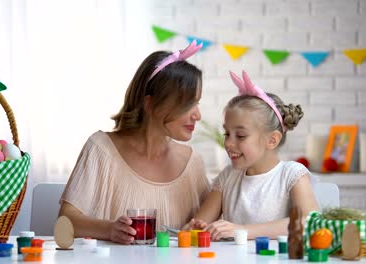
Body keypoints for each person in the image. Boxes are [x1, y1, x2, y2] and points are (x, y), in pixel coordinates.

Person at [59, 40, 211, 244]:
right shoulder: (101, 149)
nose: (198, 115)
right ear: (150, 104)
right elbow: (65, 220)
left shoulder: (194, 163)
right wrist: (110, 229)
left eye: (197, 103)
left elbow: (210, 225)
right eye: (187, 104)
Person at [185, 71, 318, 240]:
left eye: (240, 136)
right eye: (227, 134)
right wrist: (195, 228)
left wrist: (242, 231)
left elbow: (309, 222)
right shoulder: (228, 177)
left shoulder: (292, 174)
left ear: (272, 140)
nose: (228, 143)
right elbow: (198, 224)